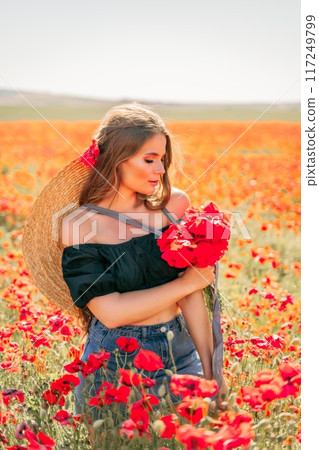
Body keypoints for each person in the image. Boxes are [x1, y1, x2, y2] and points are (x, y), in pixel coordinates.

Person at [22, 103, 227, 445]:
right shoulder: (79, 224)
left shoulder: (174, 205)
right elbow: (111, 312)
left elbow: (192, 298)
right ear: (117, 158)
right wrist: (188, 281)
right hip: (114, 360)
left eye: (162, 159)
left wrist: (212, 374)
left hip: (181, 350)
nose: (160, 169)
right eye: (149, 159)